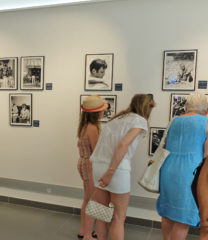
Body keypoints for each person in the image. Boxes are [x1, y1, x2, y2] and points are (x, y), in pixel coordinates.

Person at [90, 94, 155, 240]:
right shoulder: (140, 120)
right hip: (117, 169)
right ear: (147, 108)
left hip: (98, 166)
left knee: (102, 214)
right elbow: (123, 144)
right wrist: (111, 172)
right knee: (119, 218)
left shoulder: (117, 119)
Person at [157, 92, 208, 240]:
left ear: (187, 106)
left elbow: (165, 144)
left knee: (168, 213)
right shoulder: (205, 122)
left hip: (168, 169)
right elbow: (206, 155)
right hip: (190, 172)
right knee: (183, 218)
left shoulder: (174, 120)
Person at [77, 95, 108, 240]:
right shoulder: (93, 128)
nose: (104, 112)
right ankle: (88, 234)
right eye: (102, 109)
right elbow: (97, 151)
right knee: (92, 200)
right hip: (90, 165)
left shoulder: (85, 126)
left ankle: (84, 231)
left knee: (87, 198)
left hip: (84, 163)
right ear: (96, 112)